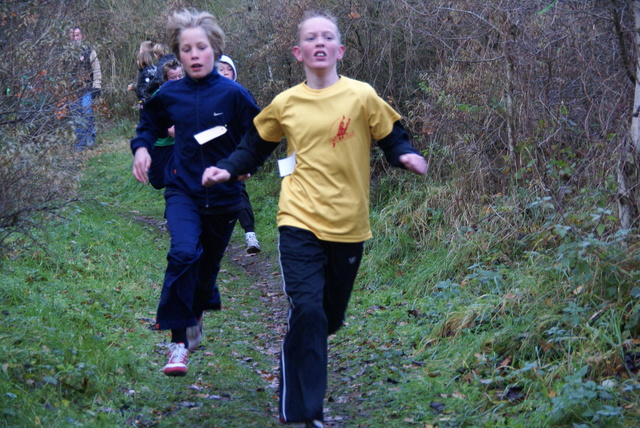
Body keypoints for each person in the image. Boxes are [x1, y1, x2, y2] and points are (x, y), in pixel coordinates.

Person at [201, 11, 428, 427]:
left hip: (349, 224)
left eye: (328, 37)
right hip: (298, 218)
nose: (319, 43)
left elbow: (391, 136)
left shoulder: (362, 96)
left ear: (340, 50)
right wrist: (228, 169)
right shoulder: (286, 103)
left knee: (328, 318)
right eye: (311, 38)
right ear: (299, 52)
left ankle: (305, 365)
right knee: (307, 310)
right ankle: (303, 413)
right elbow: (253, 147)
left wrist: (404, 156)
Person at [130, 9, 260, 377]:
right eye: (186, 49)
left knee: (205, 272)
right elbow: (147, 124)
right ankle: (177, 343)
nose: (195, 55)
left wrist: (245, 162)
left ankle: (196, 313)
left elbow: (259, 134)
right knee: (183, 252)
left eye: (201, 47)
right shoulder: (169, 93)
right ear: (178, 54)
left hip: (224, 196)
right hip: (183, 189)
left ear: (214, 50)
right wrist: (141, 147)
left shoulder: (235, 94)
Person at [218, 55, 261, 253]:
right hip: (212, 153)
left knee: (238, 189)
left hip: (236, 151)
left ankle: (250, 236)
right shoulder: (206, 94)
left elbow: (255, 124)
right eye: (221, 69)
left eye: (229, 69)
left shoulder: (243, 94)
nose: (226, 72)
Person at [147, 59, 184, 190]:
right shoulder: (159, 98)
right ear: (165, 80)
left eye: (180, 76)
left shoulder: (187, 95)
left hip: (178, 145)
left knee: (177, 179)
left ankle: (177, 201)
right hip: (160, 145)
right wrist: (168, 130)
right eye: (173, 78)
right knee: (158, 181)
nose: (178, 80)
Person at [68, 27, 101, 151]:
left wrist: (97, 86)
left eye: (77, 35)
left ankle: (90, 137)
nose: (75, 38)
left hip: (87, 88)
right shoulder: (65, 54)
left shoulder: (89, 51)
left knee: (87, 112)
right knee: (76, 116)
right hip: (72, 90)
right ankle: (80, 143)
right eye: (72, 35)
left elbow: (96, 70)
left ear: (81, 36)